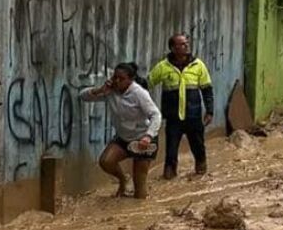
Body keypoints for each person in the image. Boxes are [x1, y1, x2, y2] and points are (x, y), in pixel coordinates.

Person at [80, 62, 161, 199]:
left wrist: (148, 136)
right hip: (123, 138)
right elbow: (83, 96)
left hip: (143, 139)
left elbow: (156, 115)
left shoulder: (139, 93)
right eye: (115, 77)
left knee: (140, 192)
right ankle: (123, 180)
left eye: (121, 79)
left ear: (130, 80)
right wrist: (100, 90)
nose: (117, 81)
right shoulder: (109, 91)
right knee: (106, 161)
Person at [148, 33, 214, 179]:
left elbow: (207, 90)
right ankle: (169, 175)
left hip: (194, 116)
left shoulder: (198, 65)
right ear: (173, 48)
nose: (186, 46)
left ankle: (201, 169)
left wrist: (210, 111)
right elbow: (148, 83)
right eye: (182, 44)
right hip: (173, 118)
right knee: (171, 151)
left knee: (198, 146)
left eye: (186, 43)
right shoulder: (163, 67)